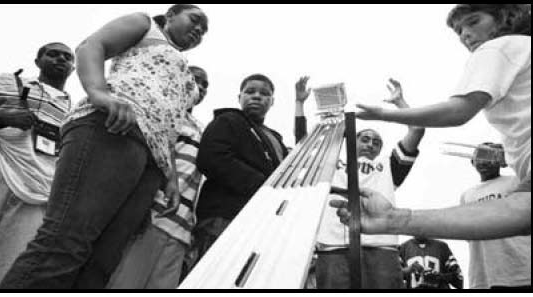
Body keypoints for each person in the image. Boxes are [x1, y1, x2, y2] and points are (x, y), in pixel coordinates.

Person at [0, 4, 208, 289]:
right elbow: (91, 46)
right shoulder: (145, 27)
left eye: (204, 31)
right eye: (195, 20)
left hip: (151, 161)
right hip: (113, 128)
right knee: (65, 242)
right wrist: (98, 92)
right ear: (170, 15)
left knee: (103, 261)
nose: (199, 30)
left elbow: (169, 122)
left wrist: (169, 174)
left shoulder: (187, 77)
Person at [335, 4, 531, 240]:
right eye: (458, 30)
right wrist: (395, 219)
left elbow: (458, 111)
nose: (464, 34)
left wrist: (384, 114)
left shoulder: (497, 48)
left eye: (474, 21)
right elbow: (519, 211)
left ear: (505, 17)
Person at [294, 77, 425, 289]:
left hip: (381, 247)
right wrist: (299, 104)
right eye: (365, 138)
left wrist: (400, 103)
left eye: (376, 142)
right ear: (352, 141)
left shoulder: (389, 166)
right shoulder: (332, 162)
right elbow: (302, 145)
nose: (371, 144)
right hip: (334, 245)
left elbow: (417, 130)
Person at [105, 66, 209, 289]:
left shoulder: (202, 128)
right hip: (154, 215)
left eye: (205, 84)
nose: (199, 87)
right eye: (194, 80)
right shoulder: (158, 113)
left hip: (182, 228)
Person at [0, 42, 74, 289]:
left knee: (2, 265)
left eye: (67, 57)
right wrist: (4, 118)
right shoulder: (6, 83)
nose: (60, 59)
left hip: (40, 193)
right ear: (37, 61)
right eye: (53, 54)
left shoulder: (75, 112)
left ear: (74, 68)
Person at [193, 74, 290, 261]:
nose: (256, 96)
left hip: (264, 220)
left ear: (272, 102)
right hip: (224, 216)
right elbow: (212, 158)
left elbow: (290, 171)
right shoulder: (228, 120)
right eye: (250, 91)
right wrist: (264, 186)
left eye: (264, 93)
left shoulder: (275, 138)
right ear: (240, 97)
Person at [460, 143, 531, 289]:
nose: (484, 162)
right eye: (480, 157)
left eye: (490, 157)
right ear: (472, 162)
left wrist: (511, 159)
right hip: (484, 275)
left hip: (520, 270)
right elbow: (467, 232)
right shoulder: (467, 195)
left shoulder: (516, 182)